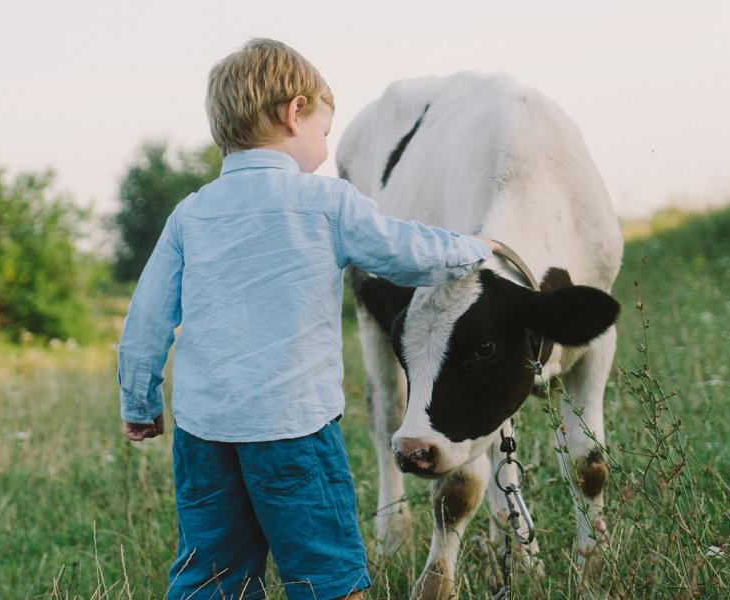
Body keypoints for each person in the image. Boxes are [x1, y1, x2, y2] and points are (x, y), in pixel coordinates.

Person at [116, 38, 499, 600]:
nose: (325, 144)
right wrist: (474, 248)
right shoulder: (327, 203)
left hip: (206, 434)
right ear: (294, 112)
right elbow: (405, 251)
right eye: (323, 129)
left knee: (211, 577)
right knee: (327, 576)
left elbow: (146, 321)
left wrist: (139, 402)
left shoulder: (191, 213)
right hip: (293, 428)